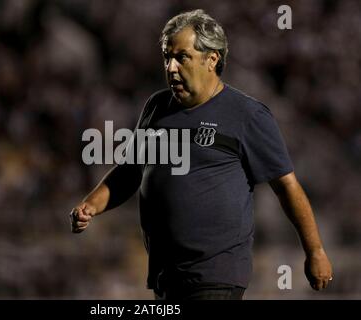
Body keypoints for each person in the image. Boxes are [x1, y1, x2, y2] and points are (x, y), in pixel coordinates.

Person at [70, 9, 333, 300]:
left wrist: (315, 251)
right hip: (165, 275)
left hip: (215, 274)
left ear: (212, 59)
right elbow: (130, 171)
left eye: (182, 57)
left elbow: (287, 186)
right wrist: (91, 204)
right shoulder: (157, 108)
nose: (170, 67)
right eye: (167, 57)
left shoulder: (247, 115)